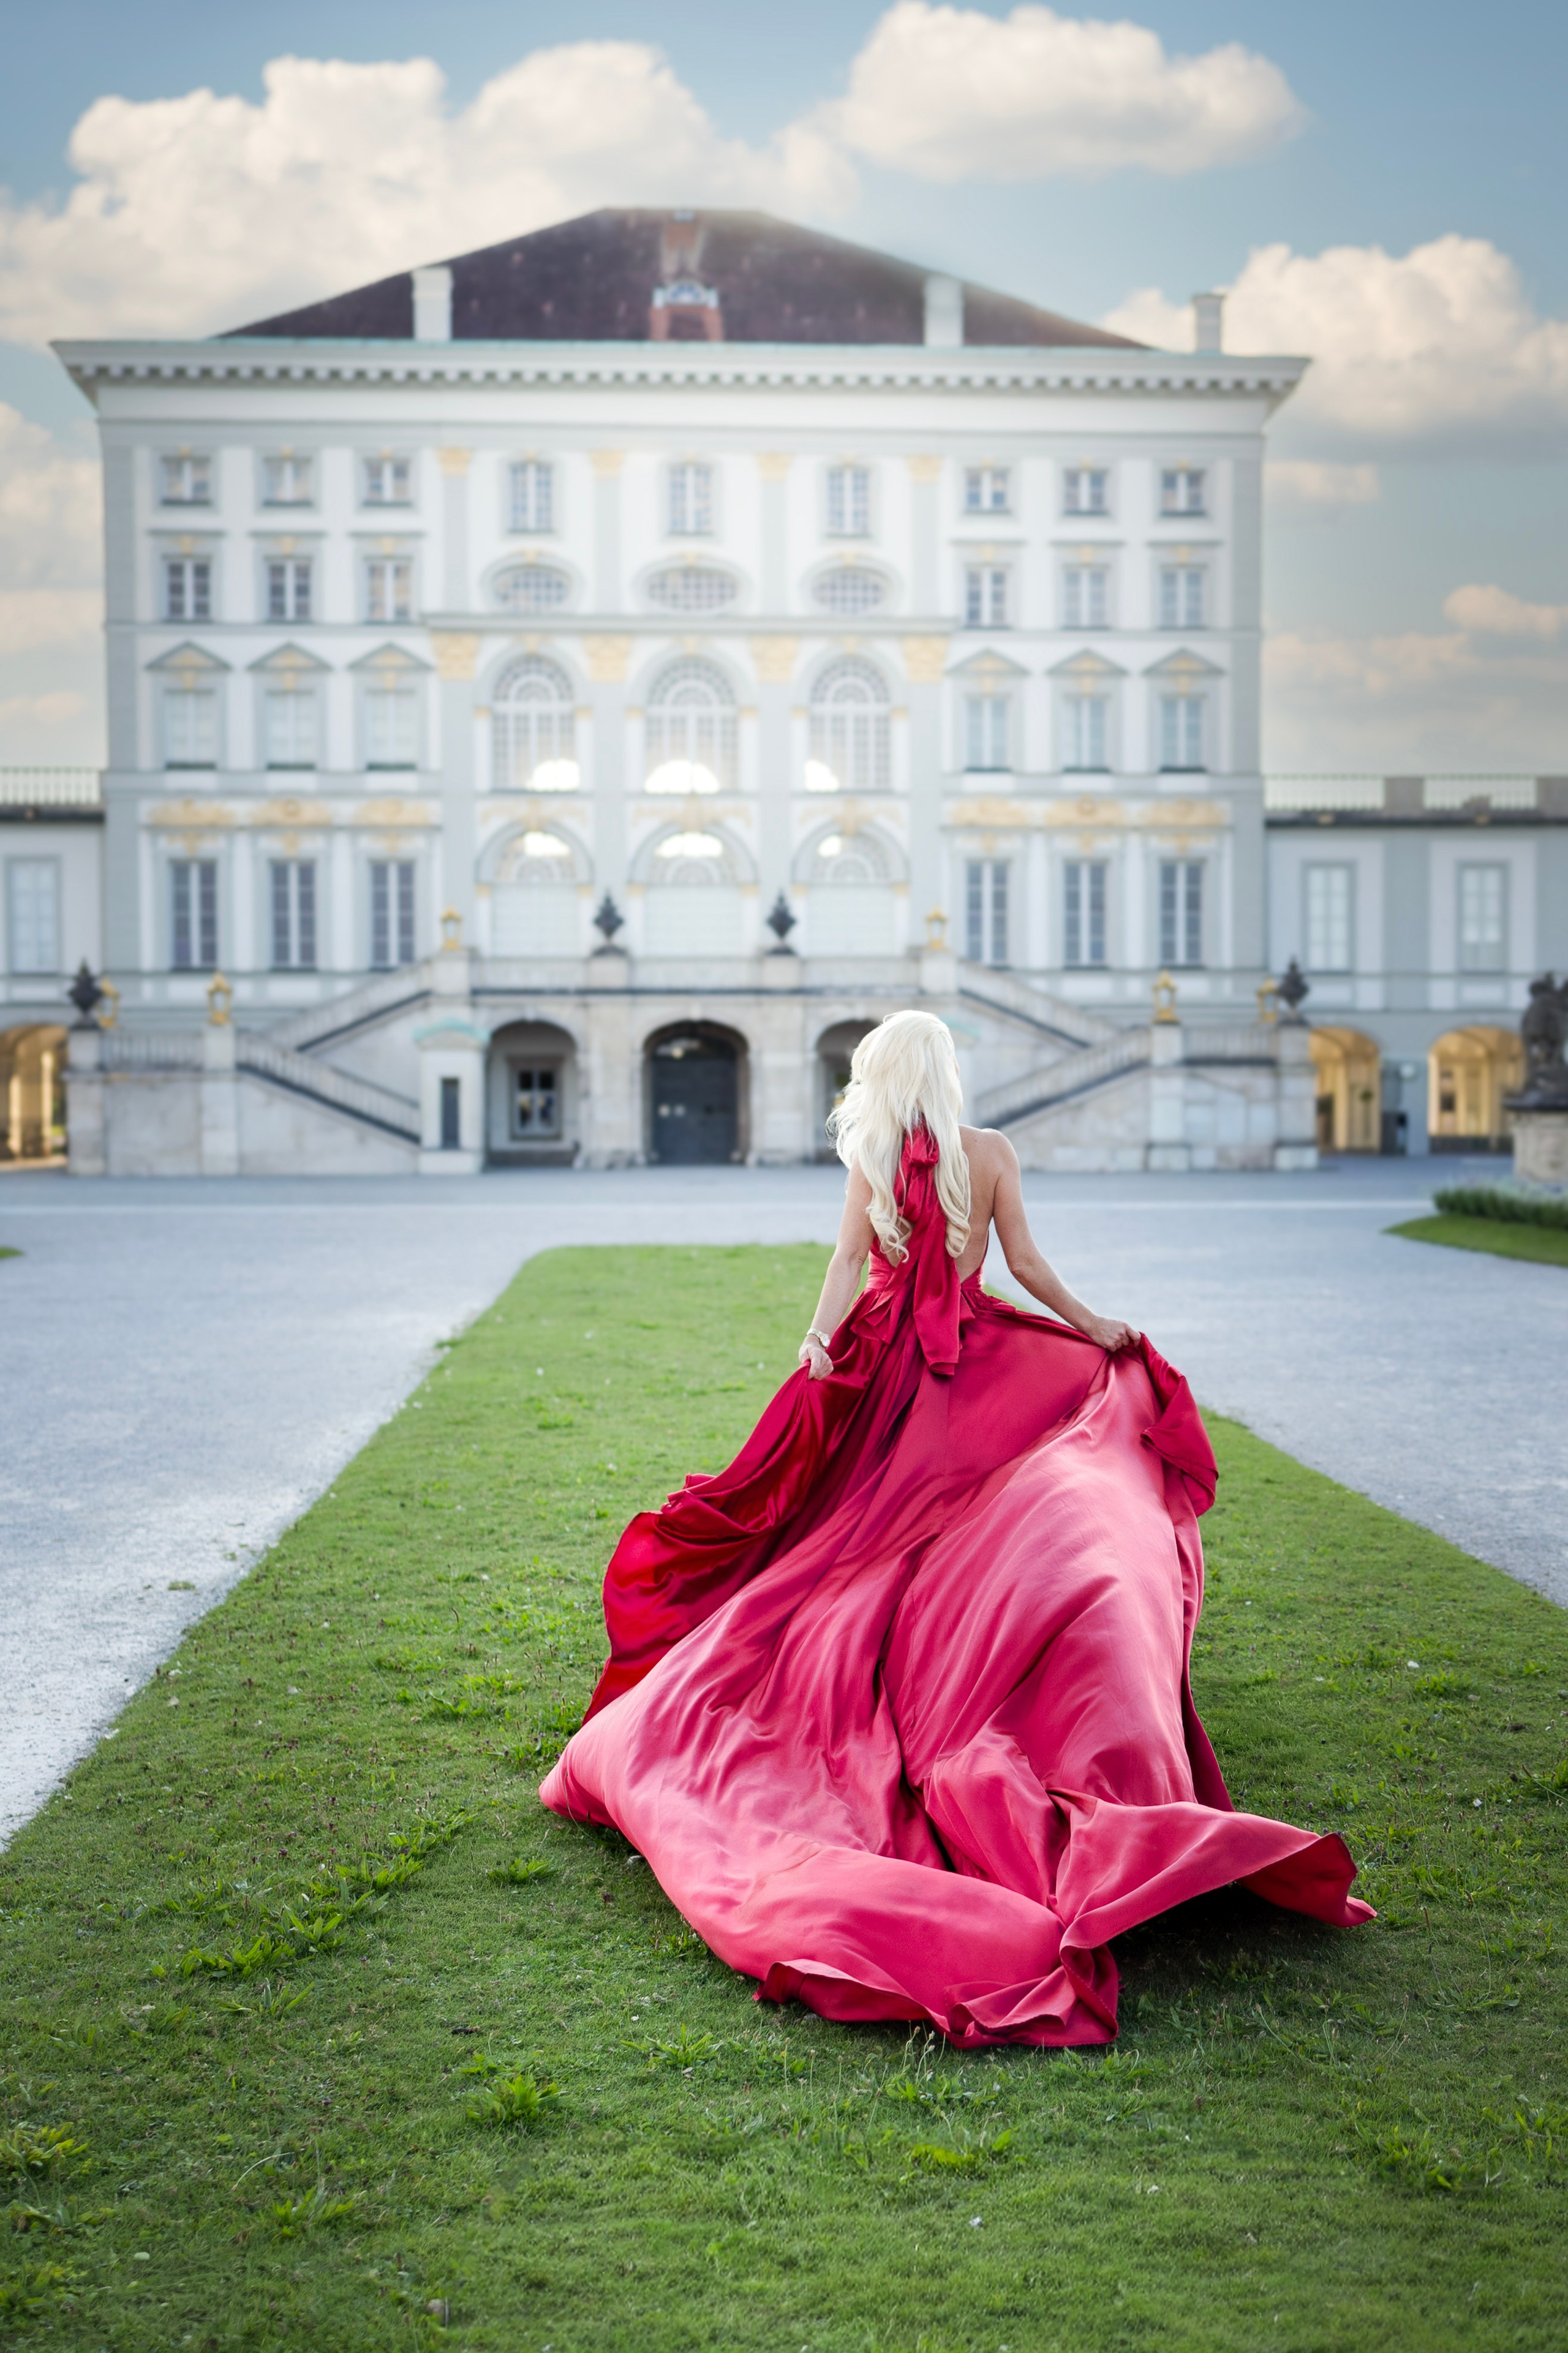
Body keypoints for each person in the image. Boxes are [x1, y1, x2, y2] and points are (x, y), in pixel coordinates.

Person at [541, 1010, 1370, 2047]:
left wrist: (816, 1345)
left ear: (884, 1079)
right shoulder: (991, 1155)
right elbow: (1023, 1267)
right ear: (950, 1075)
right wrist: (1094, 1328)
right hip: (965, 1372)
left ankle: (902, 1652)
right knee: (954, 1517)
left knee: (851, 1546)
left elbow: (847, 1269)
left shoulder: (874, 1160)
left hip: (893, 1379)